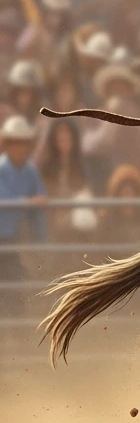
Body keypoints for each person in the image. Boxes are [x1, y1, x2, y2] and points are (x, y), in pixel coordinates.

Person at [0, 114, 46, 304]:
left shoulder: (30, 170)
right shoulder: (1, 169)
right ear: (7, 144)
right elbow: (4, 200)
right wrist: (29, 202)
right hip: (4, 236)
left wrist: (41, 239)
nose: (20, 147)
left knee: (16, 288)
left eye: (23, 143)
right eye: (15, 142)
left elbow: (41, 199)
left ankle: (17, 328)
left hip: (19, 238)